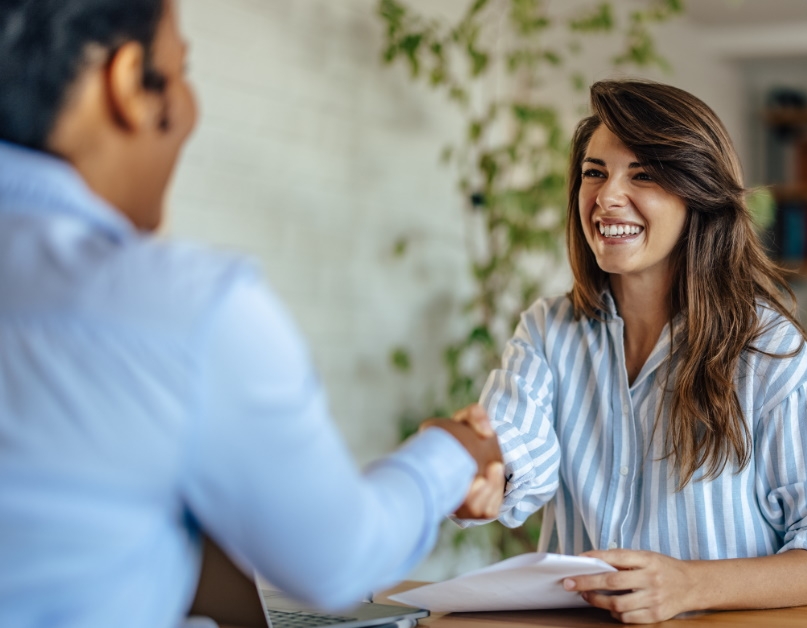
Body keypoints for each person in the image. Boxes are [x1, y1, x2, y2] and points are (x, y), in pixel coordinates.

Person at [0, 2, 504, 627]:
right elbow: (338, 560)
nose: (189, 106)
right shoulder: (185, 309)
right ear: (130, 83)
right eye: (181, 69)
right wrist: (452, 453)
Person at [474, 79, 807, 623]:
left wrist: (689, 586)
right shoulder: (549, 330)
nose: (606, 197)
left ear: (697, 194)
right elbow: (511, 442)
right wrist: (473, 471)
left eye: (642, 175)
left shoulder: (764, 348)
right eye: (594, 172)